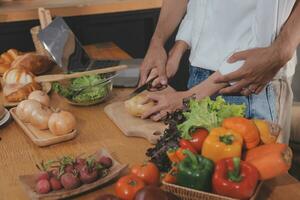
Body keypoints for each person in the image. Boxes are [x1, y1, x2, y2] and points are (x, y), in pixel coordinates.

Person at [139, 0, 300, 143]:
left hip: (247, 88)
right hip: (200, 78)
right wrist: (176, 45)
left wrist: (189, 98)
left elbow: (264, 51)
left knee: (245, 173)